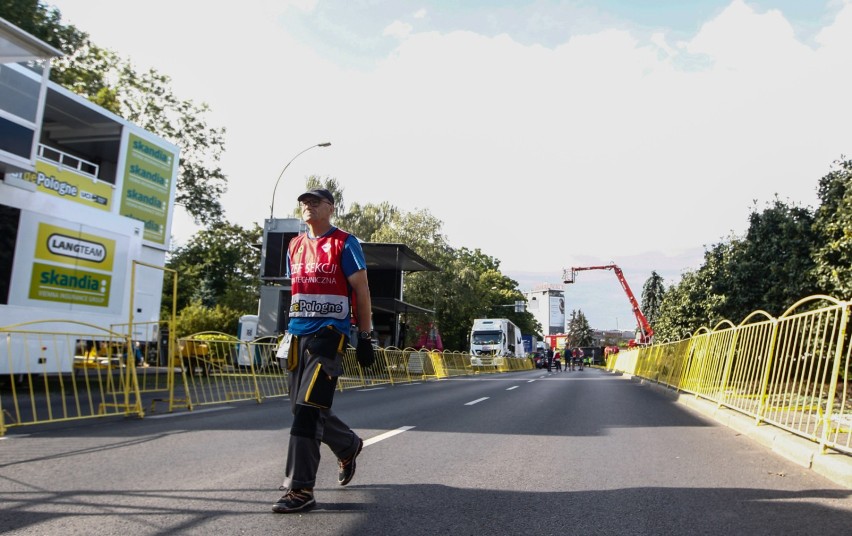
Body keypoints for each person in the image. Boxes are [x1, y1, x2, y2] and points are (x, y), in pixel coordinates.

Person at [272, 188, 376, 514]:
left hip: (329, 337)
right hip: (296, 336)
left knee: (306, 411)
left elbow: (361, 289)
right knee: (303, 408)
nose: (307, 206)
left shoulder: (345, 243)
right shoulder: (294, 245)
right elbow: (297, 291)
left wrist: (366, 336)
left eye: (315, 202)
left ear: (330, 207)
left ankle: (301, 489)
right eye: (304, 202)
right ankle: (347, 444)